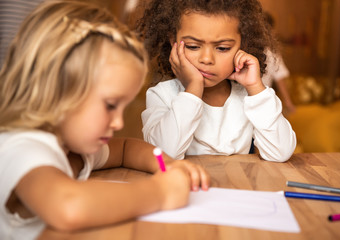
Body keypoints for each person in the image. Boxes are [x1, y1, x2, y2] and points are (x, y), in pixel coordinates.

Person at [0, 1, 210, 239]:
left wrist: (168, 165)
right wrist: (161, 192)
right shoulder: (23, 147)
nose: (118, 123)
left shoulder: (74, 147)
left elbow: (125, 148)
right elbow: (69, 207)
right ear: (59, 90)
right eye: (110, 105)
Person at [137, 0, 296, 161]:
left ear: (243, 45)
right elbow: (163, 156)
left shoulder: (249, 97)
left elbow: (280, 153)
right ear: (174, 42)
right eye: (193, 46)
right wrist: (193, 88)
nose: (206, 59)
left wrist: (255, 87)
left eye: (222, 48)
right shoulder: (161, 95)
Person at [262, 12, 296, 114]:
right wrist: (288, 102)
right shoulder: (272, 53)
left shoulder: (271, 53)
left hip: (259, 101)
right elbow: (280, 79)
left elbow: (280, 78)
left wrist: (288, 102)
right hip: (261, 101)